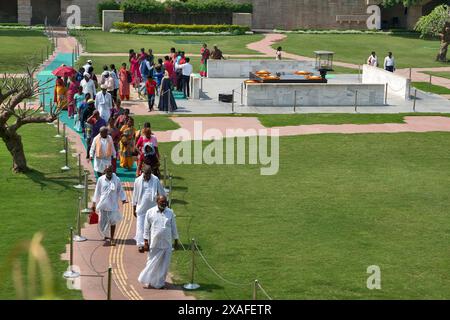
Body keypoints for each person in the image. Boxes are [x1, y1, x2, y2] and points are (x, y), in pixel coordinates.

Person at [138, 195, 179, 289]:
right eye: (162, 202)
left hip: (167, 244)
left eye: (165, 202)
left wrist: (176, 240)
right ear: (157, 202)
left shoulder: (170, 212)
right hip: (154, 244)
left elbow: (174, 227)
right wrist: (145, 242)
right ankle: (148, 280)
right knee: (151, 264)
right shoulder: (150, 212)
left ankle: (160, 283)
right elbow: (146, 229)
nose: (164, 204)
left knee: (164, 266)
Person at [132, 165, 166, 252]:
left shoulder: (155, 180)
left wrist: (165, 202)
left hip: (152, 208)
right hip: (141, 208)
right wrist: (134, 207)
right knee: (140, 226)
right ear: (142, 172)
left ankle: (151, 243)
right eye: (146, 174)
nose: (147, 175)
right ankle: (140, 244)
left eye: (149, 174)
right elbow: (135, 195)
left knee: (152, 226)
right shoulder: (137, 180)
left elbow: (161, 192)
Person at [92, 165, 127, 246]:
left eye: (111, 171)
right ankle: (106, 235)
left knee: (113, 222)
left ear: (112, 171)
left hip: (113, 205)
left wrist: (123, 199)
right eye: (108, 171)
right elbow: (97, 192)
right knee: (102, 223)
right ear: (105, 171)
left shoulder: (116, 179)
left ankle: (112, 238)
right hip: (103, 205)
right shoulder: (101, 179)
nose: (109, 173)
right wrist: (94, 203)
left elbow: (120, 190)